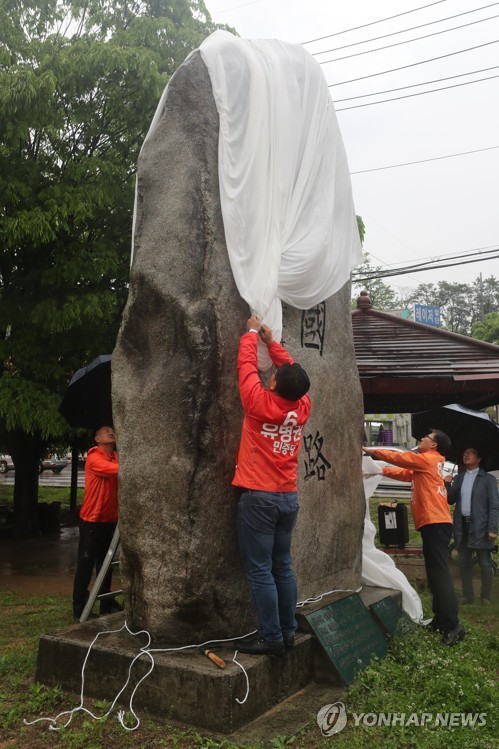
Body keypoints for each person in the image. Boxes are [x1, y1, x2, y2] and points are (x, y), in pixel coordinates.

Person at [233, 314, 311, 656]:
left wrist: (252, 333)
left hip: (259, 499)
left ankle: (271, 638)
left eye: (275, 376)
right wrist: (271, 342)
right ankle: (288, 631)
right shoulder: (302, 406)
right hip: (287, 498)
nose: (272, 375)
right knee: (283, 565)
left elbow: (247, 368)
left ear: (275, 384)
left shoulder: (259, 404)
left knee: (261, 569)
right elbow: (293, 370)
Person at [363, 430, 465, 646]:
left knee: (440, 576)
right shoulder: (430, 463)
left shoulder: (427, 460)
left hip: (436, 523)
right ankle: (440, 619)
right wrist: (377, 471)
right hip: (435, 523)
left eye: (426, 438)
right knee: (435, 574)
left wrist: (371, 452)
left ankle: (453, 625)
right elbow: (404, 473)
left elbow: (401, 458)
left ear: (434, 445)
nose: (422, 440)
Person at [72, 425, 120, 620]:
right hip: (92, 520)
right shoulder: (94, 458)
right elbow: (115, 471)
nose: (111, 432)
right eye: (105, 430)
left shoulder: (115, 456)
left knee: (105, 564)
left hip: (109, 520)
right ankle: (79, 606)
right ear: (97, 439)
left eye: (112, 430)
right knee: (85, 564)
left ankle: (106, 602)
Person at [445, 447, 499, 605]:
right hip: (462, 527)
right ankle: (468, 596)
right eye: (465, 453)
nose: (466, 455)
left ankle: (485, 596)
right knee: (463, 562)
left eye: (471, 453)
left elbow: (494, 506)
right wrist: (448, 484)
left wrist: (492, 528)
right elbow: (451, 500)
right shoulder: (459, 478)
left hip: (481, 527)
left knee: (484, 562)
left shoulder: (488, 479)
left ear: (479, 458)